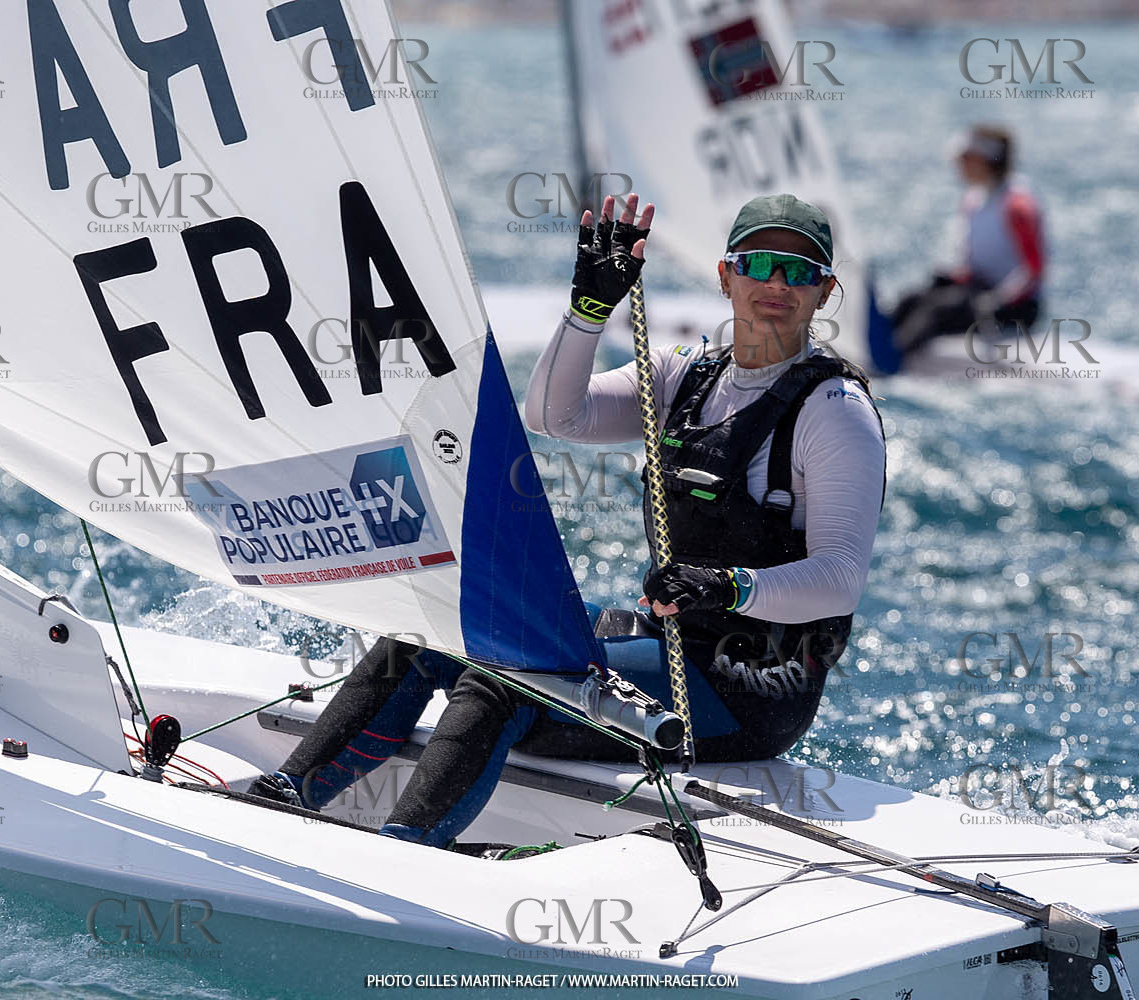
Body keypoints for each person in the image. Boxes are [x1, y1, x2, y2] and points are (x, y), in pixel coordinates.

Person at [249, 192, 885, 845]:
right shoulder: (685, 376)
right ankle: (286, 794)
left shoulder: (835, 412)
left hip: (751, 689)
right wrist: (589, 309)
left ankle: (406, 849)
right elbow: (556, 416)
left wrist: (729, 586)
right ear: (726, 276)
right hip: (666, 646)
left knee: (502, 686)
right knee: (433, 633)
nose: (778, 283)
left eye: (801, 272)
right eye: (759, 264)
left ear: (825, 291)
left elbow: (839, 580)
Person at [888, 124, 1047, 360]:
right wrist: (956, 277)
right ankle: (876, 351)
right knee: (911, 299)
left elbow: (1034, 270)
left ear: (984, 160)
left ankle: (890, 362)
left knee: (937, 310)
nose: (958, 164)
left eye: (965, 158)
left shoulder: (1017, 205)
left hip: (1014, 307)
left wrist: (998, 300)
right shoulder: (973, 199)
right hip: (980, 292)